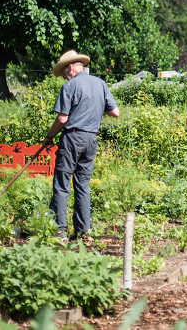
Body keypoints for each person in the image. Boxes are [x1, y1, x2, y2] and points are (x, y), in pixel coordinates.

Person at [43, 50, 120, 244]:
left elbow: (62, 118)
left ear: (70, 67)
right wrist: (93, 105)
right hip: (91, 139)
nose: (64, 77)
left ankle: (59, 231)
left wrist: (49, 136)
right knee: (82, 185)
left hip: (72, 137)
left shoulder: (70, 86)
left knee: (61, 184)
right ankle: (83, 231)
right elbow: (115, 112)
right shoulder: (100, 84)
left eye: (64, 73)